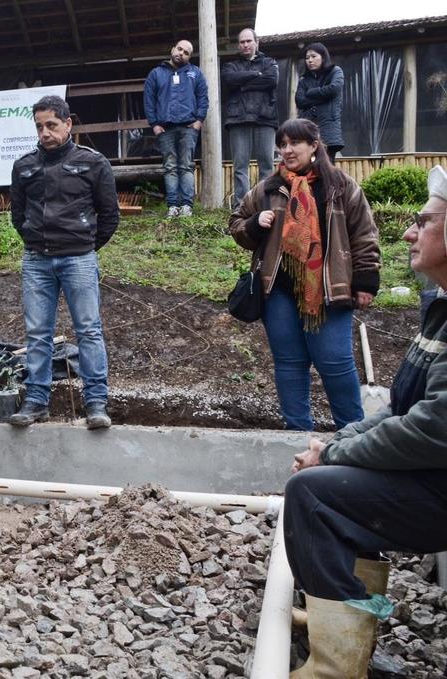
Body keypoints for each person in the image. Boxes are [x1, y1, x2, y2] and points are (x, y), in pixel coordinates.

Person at [281, 165, 447, 678]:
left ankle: (338, 665)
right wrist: (337, 441)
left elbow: (433, 429)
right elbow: (402, 410)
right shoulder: (440, 309)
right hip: (435, 478)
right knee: (327, 489)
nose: (409, 231)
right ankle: (357, 618)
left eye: (424, 220)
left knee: (314, 496)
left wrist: (329, 455)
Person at [229, 118, 381, 432]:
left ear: (314, 146)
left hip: (329, 288)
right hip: (279, 289)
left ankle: (352, 436)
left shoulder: (340, 185)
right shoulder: (269, 187)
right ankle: (297, 435)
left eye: (294, 143)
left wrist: (366, 280)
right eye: (282, 145)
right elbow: (237, 224)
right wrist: (256, 223)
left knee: (335, 362)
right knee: (289, 364)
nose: (287, 150)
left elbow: (365, 234)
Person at [8, 95, 119, 429]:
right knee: (37, 334)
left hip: (79, 260)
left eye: (52, 125)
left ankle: (96, 404)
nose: (45, 132)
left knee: (88, 330)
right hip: (36, 261)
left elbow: (109, 216)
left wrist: (83, 244)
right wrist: (34, 239)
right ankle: (36, 402)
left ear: (68, 124)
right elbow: (18, 215)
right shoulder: (24, 166)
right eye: (39, 126)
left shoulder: (93, 163)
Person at [144, 39, 209, 218]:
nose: (181, 53)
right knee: (170, 166)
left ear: (189, 57)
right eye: (179, 49)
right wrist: (155, 124)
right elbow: (149, 101)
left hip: (189, 127)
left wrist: (199, 121)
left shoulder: (195, 74)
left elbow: (203, 97)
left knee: (186, 166)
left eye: (186, 52)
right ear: (173, 48)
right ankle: (173, 206)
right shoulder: (156, 74)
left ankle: (187, 206)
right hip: (165, 128)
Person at [222, 28, 279, 206]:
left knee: (267, 166)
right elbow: (230, 80)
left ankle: (265, 205)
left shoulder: (269, 63)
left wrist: (243, 85)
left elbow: (271, 80)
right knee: (240, 167)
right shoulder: (230, 66)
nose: (245, 45)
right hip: (238, 119)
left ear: (256, 42)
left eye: (248, 41)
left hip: (265, 118)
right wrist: (255, 75)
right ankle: (241, 207)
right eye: (242, 42)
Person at [295, 42, 345, 161]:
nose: (310, 60)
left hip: (328, 126)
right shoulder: (304, 80)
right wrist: (323, 96)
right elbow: (300, 101)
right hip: (308, 127)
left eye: (313, 56)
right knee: (308, 168)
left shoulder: (335, 71)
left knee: (327, 168)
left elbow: (334, 89)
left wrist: (311, 92)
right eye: (307, 58)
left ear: (323, 56)